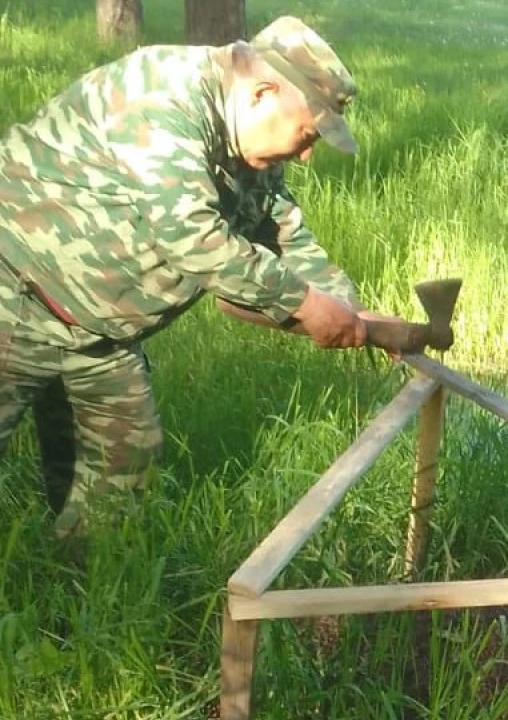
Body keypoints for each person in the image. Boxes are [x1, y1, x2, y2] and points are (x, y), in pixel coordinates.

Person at [0, 16, 399, 539]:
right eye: (307, 133)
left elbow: (281, 230)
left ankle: (76, 601)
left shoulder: (250, 144)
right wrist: (305, 305)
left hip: (101, 337)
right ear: (263, 92)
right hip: (15, 298)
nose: (306, 154)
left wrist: (347, 307)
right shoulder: (161, 97)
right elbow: (192, 238)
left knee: (121, 479)